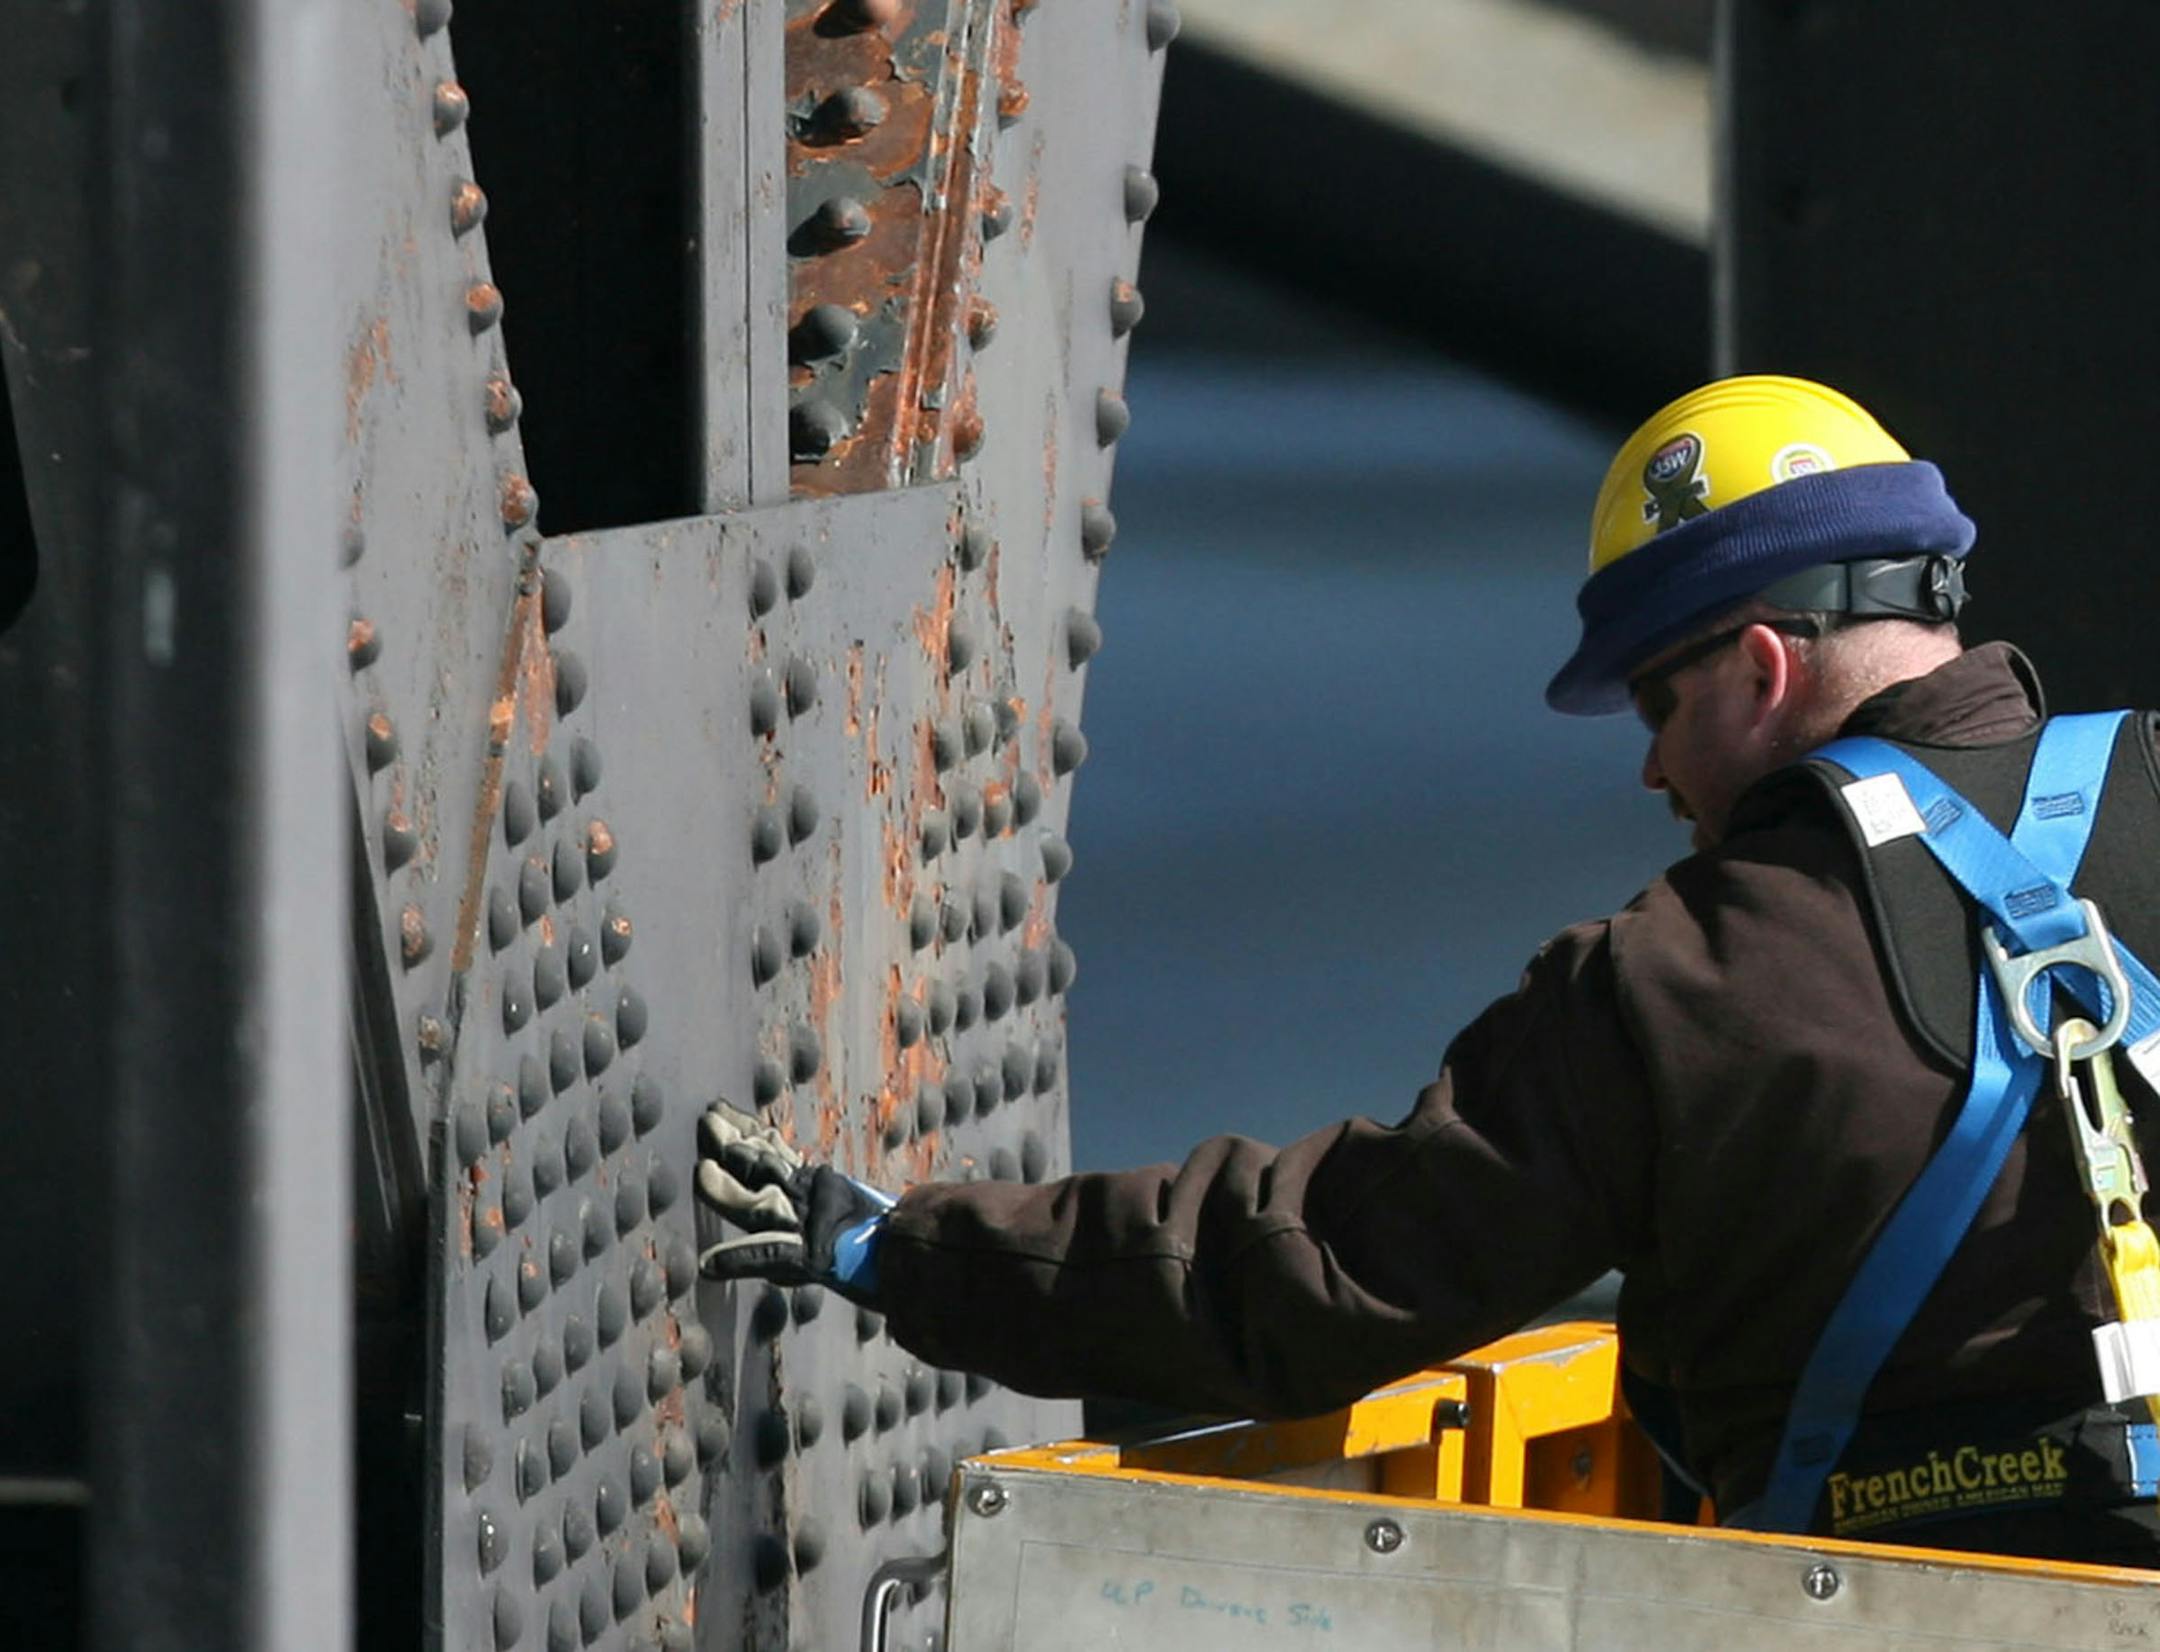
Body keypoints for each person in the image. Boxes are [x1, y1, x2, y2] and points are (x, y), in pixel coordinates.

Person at [695, 375, 2160, 1563]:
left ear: (1765, 667)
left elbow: (1312, 1271)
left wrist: (905, 1252)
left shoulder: (1680, 981)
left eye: (1658, 703)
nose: (1652, 767)